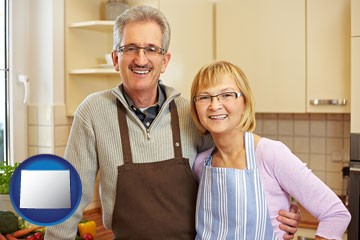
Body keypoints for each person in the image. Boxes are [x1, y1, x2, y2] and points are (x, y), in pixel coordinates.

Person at [45, 6, 300, 240]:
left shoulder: (191, 112)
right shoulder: (93, 112)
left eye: (152, 49)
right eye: (130, 48)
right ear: (115, 59)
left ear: (164, 61)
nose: (141, 59)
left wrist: (278, 209)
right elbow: (69, 195)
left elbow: (235, 171)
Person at [190, 60, 351, 240]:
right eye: (204, 97)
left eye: (227, 94)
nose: (214, 105)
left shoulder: (270, 154)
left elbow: (335, 213)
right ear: (195, 108)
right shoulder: (200, 164)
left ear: (245, 103)